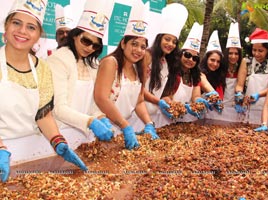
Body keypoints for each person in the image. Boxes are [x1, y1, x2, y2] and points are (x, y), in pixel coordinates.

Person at [0, 0, 86, 183]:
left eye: (31, 27)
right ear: (5, 27)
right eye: (16, 23)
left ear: (38, 35)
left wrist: (58, 141)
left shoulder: (42, 69)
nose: (22, 31)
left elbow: (43, 114)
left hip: (29, 149)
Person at [47, 0, 115, 148]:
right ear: (74, 36)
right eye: (86, 41)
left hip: (84, 135)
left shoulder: (92, 64)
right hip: (59, 134)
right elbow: (58, 108)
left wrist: (100, 116)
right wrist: (90, 121)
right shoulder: (58, 60)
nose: (89, 48)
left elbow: (92, 102)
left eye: (95, 45)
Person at [94, 0, 159, 150]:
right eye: (134, 44)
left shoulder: (138, 70)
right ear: (123, 44)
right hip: (104, 130)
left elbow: (139, 101)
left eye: (143, 47)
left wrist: (148, 123)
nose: (138, 50)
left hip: (124, 130)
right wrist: (125, 126)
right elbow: (101, 98)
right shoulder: (111, 63)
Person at [143, 3, 188, 126]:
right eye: (167, 39)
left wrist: (167, 100)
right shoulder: (147, 55)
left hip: (155, 114)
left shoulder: (168, 62)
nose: (171, 44)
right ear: (159, 39)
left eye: (174, 42)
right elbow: (138, 88)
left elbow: (162, 92)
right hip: (139, 113)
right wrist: (158, 101)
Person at [235, 28, 268, 112]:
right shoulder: (246, 62)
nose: (256, 54)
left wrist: (258, 95)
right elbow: (240, 85)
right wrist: (239, 94)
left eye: (260, 51)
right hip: (249, 106)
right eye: (254, 50)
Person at [199, 30, 225, 113]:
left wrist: (218, 101)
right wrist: (214, 94)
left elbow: (220, 97)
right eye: (212, 60)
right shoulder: (199, 73)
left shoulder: (219, 77)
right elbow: (204, 83)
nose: (215, 64)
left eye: (218, 62)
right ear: (206, 59)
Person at [223, 22, 242, 106]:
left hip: (235, 108)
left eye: (236, 54)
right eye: (230, 53)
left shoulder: (242, 70)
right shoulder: (220, 68)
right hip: (219, 106)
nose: (233, 56)